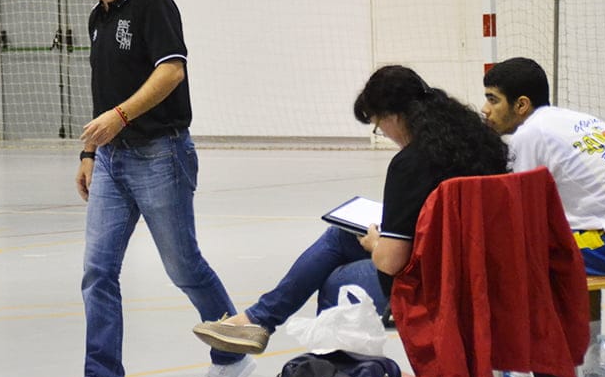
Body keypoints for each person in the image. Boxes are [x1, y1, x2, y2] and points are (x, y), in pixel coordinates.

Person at [54, 0, 254, 377]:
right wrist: (89, 152)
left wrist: (120, 117)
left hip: (160, 155)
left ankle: (233, 354)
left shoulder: (153, 3)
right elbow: (105, 90)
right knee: (97, 270)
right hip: (112, 161)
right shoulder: (97, 17)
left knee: (183, 264)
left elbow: (171, 70)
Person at [193, 65, 508, 355]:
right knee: (341, 235)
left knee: (336, 281)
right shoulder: (483, 146)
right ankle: (257, 320)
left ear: (393, 116)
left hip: (432, 281)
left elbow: (391, 261)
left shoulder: (410, 164)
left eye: (378, 126)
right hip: (481, 267)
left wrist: (376, 244)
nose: (383, 133)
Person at [482, 57, 605, 273]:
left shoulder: (529, 134)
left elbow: (522, 212)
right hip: (601, 233)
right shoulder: (578, 119)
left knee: (522, 253)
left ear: (521, 104)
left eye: (493, 100)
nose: (485, 109)